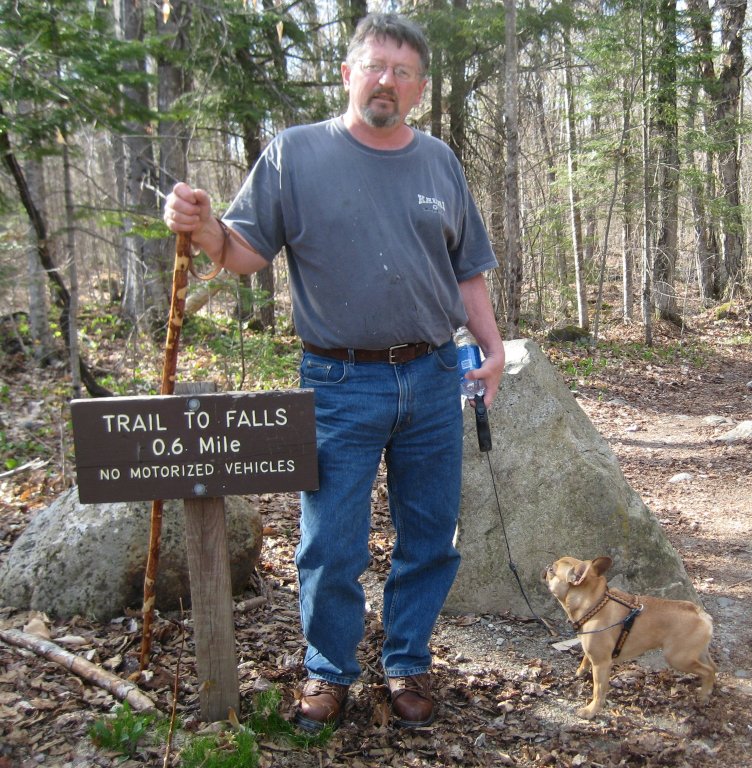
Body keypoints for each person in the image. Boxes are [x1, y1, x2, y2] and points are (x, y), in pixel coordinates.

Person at [163, 12, 504, 731]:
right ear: (348, 73)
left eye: (403, 71)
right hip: (338, 381)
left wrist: (492, 347)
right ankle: (328, 674)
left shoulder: (439, 160)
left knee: (431, 533)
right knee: (330, 544)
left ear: (417, 87)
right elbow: (245, 251)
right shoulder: (295, 155)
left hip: (435, 375)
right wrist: (199, 227)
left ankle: (408, 662)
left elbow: (466, 268)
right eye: (375, 66)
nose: (388, 81)